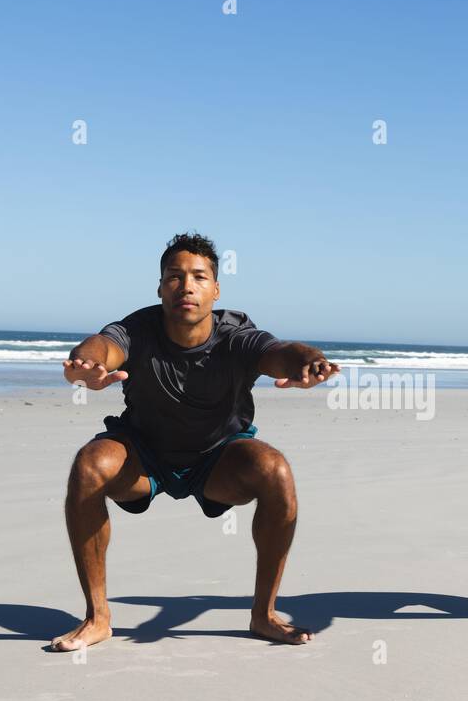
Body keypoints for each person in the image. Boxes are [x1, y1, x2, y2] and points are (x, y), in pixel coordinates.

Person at [51, 231, 338, 650]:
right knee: (89, 465)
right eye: (174, 276)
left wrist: (308, 361)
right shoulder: (137, 328)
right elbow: (103, 346)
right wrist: (86, 364)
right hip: (143, 457)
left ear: (215, 289)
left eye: (199, 277)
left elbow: (280, 351)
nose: (186, 286)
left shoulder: (236, 334)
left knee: (275, 470)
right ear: (160, 286)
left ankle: (264, 615)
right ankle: (98, 618)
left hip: (218, 461)